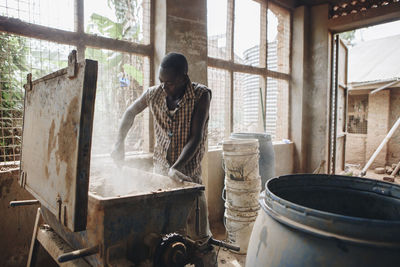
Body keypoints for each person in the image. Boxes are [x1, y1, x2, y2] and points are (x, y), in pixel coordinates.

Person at [111, 52, 217, 266]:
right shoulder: (154, 94)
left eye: (169, 83)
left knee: (199, 237)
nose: (164, 87)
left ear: (183, 77)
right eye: (161, 81)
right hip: (160, 175)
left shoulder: (200, 95)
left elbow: (196, 137)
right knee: (162, 236)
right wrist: (119, 143)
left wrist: (176, 167)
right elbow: (129, 113)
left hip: (189, 177)